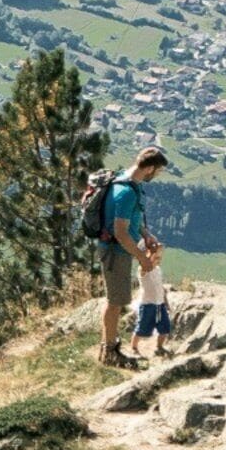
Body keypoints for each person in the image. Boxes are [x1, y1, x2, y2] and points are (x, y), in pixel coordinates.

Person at [91, 149, 169, 362]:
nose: (157, 174)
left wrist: (146, 234)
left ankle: (109, 347)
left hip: (118, 250)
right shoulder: (127, 193)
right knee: (115, 302)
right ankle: (109, 351)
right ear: (150, 167)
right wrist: (141, 257)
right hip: (116, 252)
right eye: (158, 170)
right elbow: (120, 232)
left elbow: (132, 220)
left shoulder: (124, 181)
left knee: (117, 300)